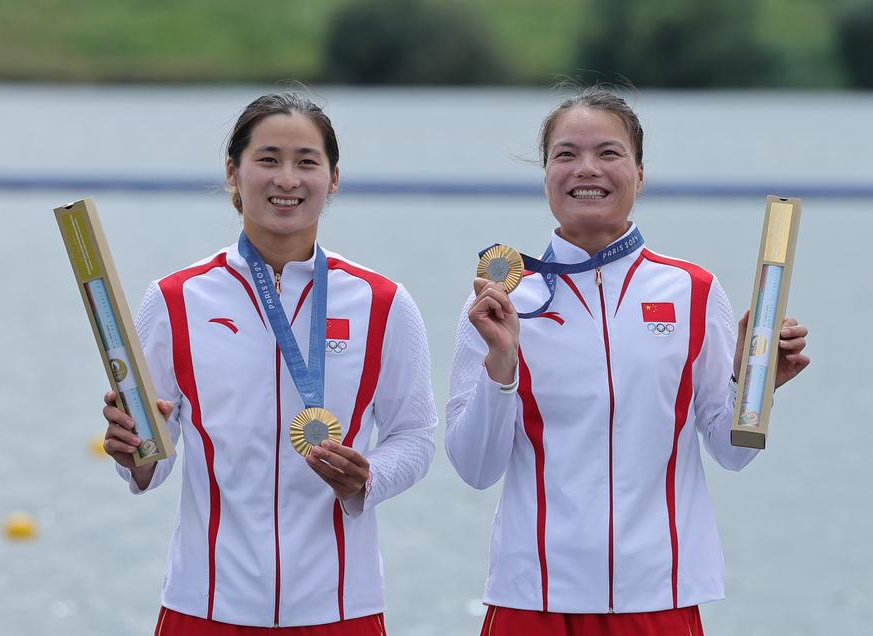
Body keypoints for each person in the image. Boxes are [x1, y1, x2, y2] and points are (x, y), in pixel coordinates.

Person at [445, 86, 810, 636]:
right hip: (532, 596)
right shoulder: (500, 298)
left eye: (608, 153)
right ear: (545, 173)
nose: (585, 169)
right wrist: (502, 367)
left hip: (659, 596)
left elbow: (730, 454)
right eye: (565, 154)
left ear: (640, 174)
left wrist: (753, 385)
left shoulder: (693, 290)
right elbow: (475, 469)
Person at [101, 92, 437, 635]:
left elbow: (416, 435)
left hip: (340, 611)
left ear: (333, 179)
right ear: (234, 173)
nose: (287, 179)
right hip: (205, 606)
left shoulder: (383, 303)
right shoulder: (175, 300)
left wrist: (366, 478)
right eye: (268, 159)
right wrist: (134, 452)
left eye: (307, 161)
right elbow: (150, 459)